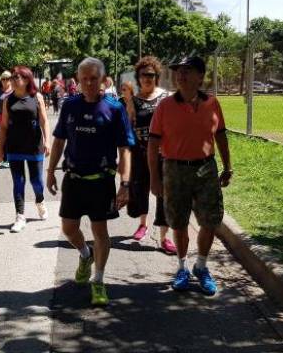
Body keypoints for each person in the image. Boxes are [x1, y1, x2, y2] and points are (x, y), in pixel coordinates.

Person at [47, 57, 135, 306]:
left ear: (103, 81)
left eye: (93, 78)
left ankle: (98, 280)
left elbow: (125, 149)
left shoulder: (114, 109)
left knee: (100, 231)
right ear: (77, 80)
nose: (88, 83)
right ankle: (85, 255)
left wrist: (125, 184)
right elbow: (59, 141)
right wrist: (50, 170)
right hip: (74, 179)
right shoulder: (70, 106)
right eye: (83, 78)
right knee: (69, 228)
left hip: (101, 181)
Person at [148, 56, 232, 295]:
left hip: (206, 168)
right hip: (174, 169)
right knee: (179, 221)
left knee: (211, 220)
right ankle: (183, 267)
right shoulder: (165, 106)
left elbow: (221, 137)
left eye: (188, 70)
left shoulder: (212, 104)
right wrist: (154, 178)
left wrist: (228, 167)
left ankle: (201, 266)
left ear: (200, 76)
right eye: (178, 71)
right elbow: (153, 145)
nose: (181, 75)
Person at [120, 57, 176, 255]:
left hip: (165, 153)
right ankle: (142, 224)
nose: (147, 79)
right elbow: (128, 126)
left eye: (151, 75)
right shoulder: (133, 101)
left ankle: (164, 237)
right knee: (140, 187)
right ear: (138, 78)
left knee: (164, 193)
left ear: (157, 77)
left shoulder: (167, 97)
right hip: (140, 152)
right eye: (143, 75)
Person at [0, 65, 51, 232]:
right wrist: (0, 149)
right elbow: (4, 126)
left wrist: (47, 141)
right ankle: (20, 217)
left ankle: (40, 200)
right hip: (14, 146)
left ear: (27, 79)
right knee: (18, 182)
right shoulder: (8, 100)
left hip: (34, 146)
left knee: (36, 181)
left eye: (16, 77)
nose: (13, 80)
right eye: (12, 77)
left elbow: (44, 121)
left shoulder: (37, 97)